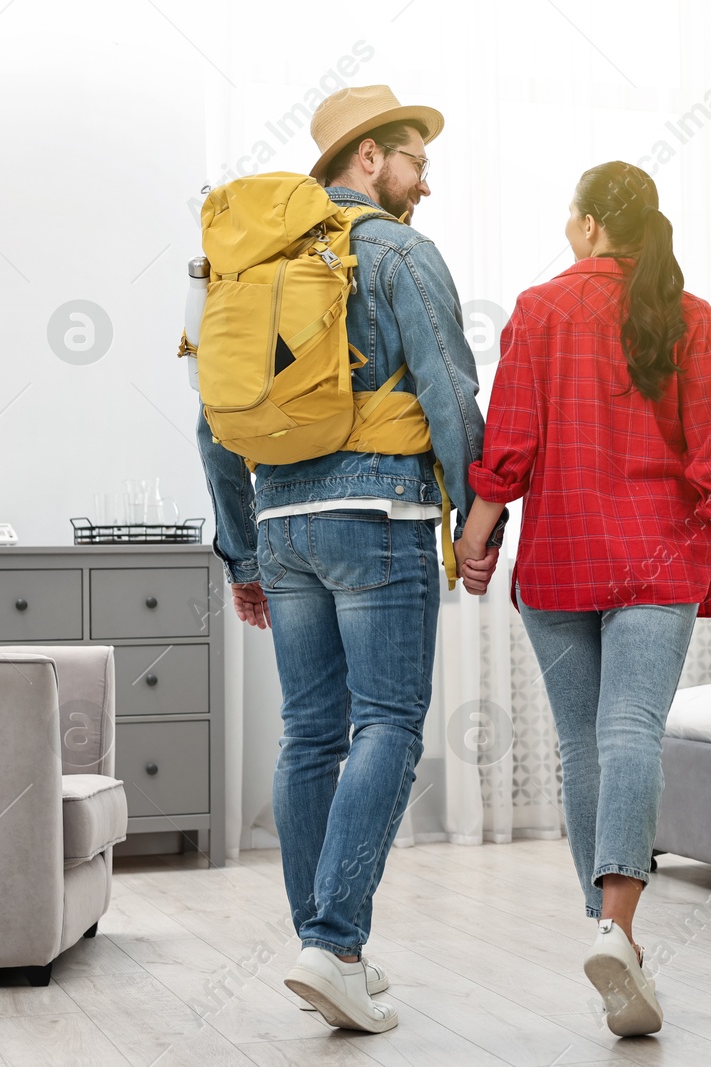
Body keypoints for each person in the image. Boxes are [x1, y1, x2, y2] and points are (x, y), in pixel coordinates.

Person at [455, 161, 711, 1037]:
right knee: (630, 732)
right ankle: (620, 929)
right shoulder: (692, 317)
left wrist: (477, 536)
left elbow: (512, 445)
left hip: (561, 563)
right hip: (657, 562)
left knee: (583, 746)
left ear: (586, 226)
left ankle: (612, 933)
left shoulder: (539, 309)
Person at [196, 85, 505, 1033]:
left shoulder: (253, 261)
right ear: (367, 158)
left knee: (309, 735)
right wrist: (481, 523)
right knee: (389, 726)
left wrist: (243, 551)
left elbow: (214, 422)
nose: (426, 178)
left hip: (284, 522)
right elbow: (451, 397)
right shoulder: (401, 252)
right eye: (414, 157)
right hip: (378, 516)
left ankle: (326, 950)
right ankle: (332, 943)